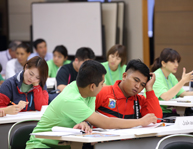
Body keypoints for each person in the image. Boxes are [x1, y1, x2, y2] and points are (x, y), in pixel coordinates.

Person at [26, 60, 157, 149]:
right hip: (41, 146)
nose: (104, 86)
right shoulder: (71, 99)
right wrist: (140, 121)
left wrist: (85, 123)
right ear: (93, 86)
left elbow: (89, 117)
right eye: (102, 83)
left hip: (62, 146)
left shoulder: (87, 92)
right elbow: (106, 123)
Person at [96, 59, 162, 120]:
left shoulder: (140, 100)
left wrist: (149, 89)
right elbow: (86, 116)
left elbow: (156, 119)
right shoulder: (102, 92)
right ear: (124, 76)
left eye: (142, 85)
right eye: (136, 80)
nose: (138, 86)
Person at [151, 48, 193, 117]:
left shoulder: (171, 76)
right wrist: (183, 81)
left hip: (169, 113)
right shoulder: (156, 77)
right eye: (173, 62)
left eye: (177, 62)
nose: (176, 65)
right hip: (156, 114)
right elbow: (166, 97)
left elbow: (182, 93)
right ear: (163, 63)